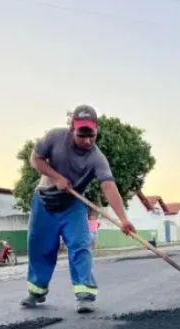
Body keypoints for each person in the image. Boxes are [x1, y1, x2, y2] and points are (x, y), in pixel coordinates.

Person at [23, 104, 136, 313]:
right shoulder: (54, 137)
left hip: (72, 205)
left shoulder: (97, 158)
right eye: (81, 134)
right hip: (44, 201)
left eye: (91, 135)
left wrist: (123, 219)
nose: (87, 140)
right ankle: (36, 291)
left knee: (80, 246)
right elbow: (35, 159)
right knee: (40, 246)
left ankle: (85, 294)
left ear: (96, 131)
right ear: (71, 128)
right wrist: (57, 178)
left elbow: (108, 186)